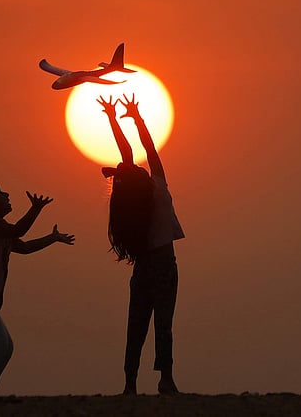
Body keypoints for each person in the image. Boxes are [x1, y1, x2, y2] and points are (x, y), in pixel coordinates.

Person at [0, 178, 75, 396]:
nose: (6, 195)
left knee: (5, 346)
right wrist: (35, 209)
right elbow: (19, 230)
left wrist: (52, 238)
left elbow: (25, 247)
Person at [97, 94, 185, 395]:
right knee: (163, 324)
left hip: (143, 267)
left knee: (136, 325)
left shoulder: (131, 203)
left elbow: (128, 152)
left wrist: (113, 118)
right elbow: (147, 149)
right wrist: (136, 118)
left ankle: (130, 383)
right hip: (164, 265)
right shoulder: (157, 186)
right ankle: (165, 379)